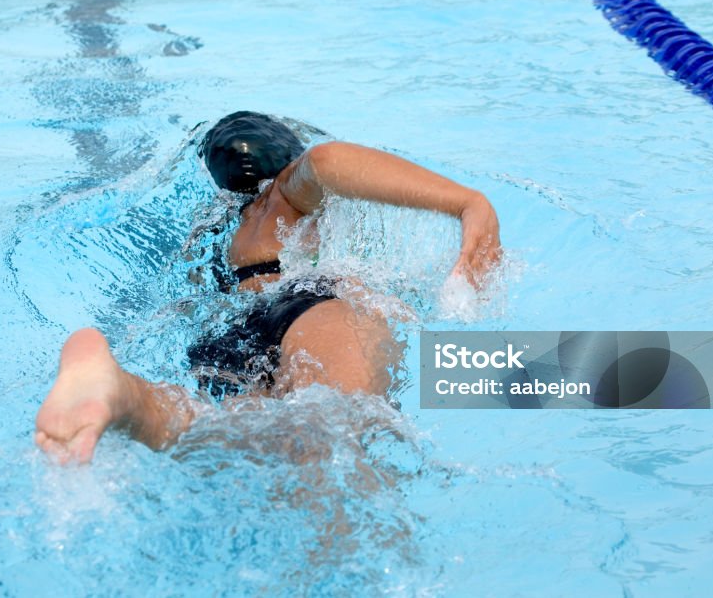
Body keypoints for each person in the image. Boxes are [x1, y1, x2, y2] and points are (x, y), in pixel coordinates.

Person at [35, 111, 501, 463]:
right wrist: (469, 203)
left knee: (229, 432)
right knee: (338, 436)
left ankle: (129, 397)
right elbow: (325, 160)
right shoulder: (284, 197)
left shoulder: (218, 235)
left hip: (225, 342)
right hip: (309, 310)